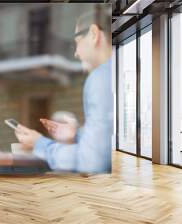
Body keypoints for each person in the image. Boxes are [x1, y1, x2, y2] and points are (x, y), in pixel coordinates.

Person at [14, 8, 113, 173]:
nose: (75, 53)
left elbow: (91, 162)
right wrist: (77, 135)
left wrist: (40, 144)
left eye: (77, 42)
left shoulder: (100, 78)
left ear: (94, 34)